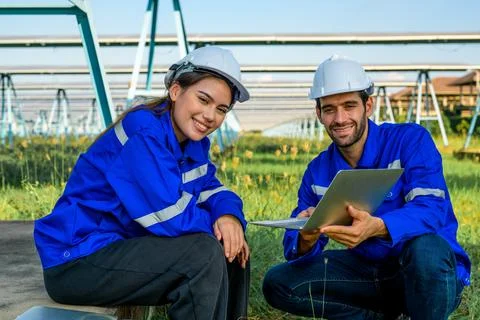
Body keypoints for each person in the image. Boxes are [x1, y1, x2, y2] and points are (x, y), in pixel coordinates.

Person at [34, 46, 251, 320]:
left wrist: (229, 215)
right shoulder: (144, 131)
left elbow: (212, 190)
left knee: (232, 244)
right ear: (175, 91)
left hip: (118, 248)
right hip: (76, 260)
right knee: (205, 252)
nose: (210, 116)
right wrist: (218, 224)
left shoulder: (193, 145)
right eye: (203, 100)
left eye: (221, 109)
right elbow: (169, 215)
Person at [262, 55, 471, 320]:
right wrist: (306, 236)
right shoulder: (317, 171)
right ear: (318, 114)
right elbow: (296, 251)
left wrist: (379, 226)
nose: (340, 118)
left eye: (350, 106)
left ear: (368, 105)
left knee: (427, 249)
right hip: (369, 272)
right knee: (278, 283)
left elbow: (431, 210)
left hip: (424, 274)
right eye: (329, 109)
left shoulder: (409, 141)